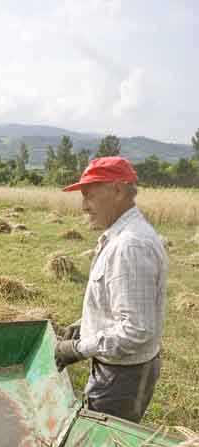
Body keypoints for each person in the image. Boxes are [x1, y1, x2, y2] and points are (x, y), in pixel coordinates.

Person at [54, 156, 167, 423]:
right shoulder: (119, 237)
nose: (83, 206)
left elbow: (136, 330)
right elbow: (118, 304)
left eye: (89, 195)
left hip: (122, 379)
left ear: (117, 190)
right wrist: (87, 324)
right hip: (116, 372)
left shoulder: (130, 246)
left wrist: (79, 348)